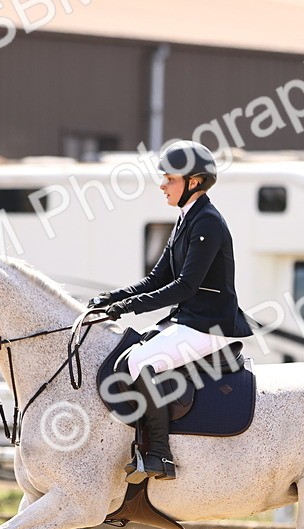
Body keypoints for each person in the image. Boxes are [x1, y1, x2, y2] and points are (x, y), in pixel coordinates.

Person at [88, 140, 253, 481]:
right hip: (191, 321)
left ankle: (159, 456)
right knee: (131, 353)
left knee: (140, 362)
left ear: (194, 182)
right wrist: (111, 298)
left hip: (211, 326)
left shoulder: (207, 222)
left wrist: (126, 307)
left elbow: (184, 287)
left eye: (170, 178)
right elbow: (156, 278)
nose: (162, 184)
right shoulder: (186, 219)